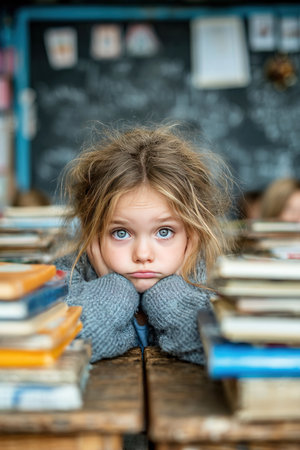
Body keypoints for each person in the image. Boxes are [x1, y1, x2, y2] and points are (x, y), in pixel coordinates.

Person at [55, 124, 232, 365]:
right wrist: (113, 294)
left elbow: (220, 354)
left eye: (164, 231)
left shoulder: (216, 288)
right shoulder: (60, 283)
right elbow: (61, 348)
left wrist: (171, 298)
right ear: (93, 233)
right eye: (120, 233)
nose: (143, 254)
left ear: (193, 234)